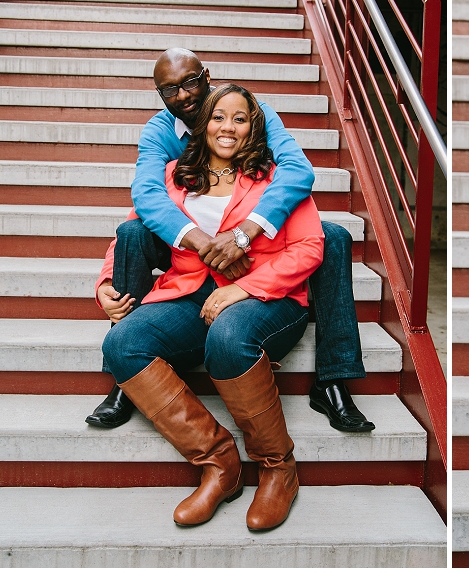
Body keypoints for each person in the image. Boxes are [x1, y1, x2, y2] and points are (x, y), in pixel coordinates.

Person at [86, 48, 374, 434]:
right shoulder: (162, 137)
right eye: (170, 90)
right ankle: (128, 379)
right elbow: (144, 201)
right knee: (133, 234)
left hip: (251, 241)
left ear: (206, 77)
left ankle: (333, 377)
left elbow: (297, 171)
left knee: (332, 236)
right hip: (185, 243)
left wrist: (243, 237)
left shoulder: (254, 114)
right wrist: (110, 279)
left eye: (190, 82)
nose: (184, 96)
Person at [100, 83, 322, 529]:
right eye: (219, 117)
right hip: (191, 291)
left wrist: (243, 289)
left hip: (269, 296)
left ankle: (279, 468)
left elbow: (310, 247)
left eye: (239, 119)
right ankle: (221, 464)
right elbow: (130, 227)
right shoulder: (174, 174)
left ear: (252, 128)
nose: (227, 127)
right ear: (202, 126)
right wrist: (106, 281)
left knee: (228, 335)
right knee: (122, 342)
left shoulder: (276, 177)